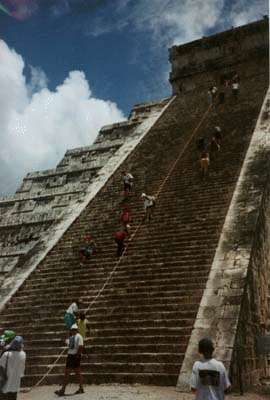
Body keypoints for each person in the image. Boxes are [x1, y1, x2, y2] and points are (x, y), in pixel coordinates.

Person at [55, 324, 84, 397]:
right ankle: (81, 388)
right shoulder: (71, 337)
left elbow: (80, 347)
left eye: (74, 329)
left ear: (76, 330)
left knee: (69, 373)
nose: (72, 331)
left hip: (74, 356)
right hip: (71, 356)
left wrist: (77, 356)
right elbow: (69, 345)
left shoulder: (79, 336)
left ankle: (63, 390)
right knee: (76, 373)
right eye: (72, 330)